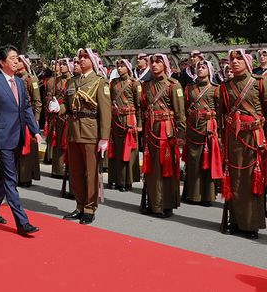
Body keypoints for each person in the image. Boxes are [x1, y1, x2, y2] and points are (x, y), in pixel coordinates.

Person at [0, 45, 41, 236]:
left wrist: (35, 130)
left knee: (4, 174)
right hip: (2, 136)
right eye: (13, 58)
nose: (17, 61)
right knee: (10, 178)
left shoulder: (19, 82)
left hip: (18, 136)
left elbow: (25, 108)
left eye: (17, 58)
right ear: (2, 62)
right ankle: (22, 222)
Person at [220, 49, 266, 239]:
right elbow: (222, 114)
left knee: (251, 179)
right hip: (233, 138)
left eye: (239, 59)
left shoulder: (259, 82)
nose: (235, 62)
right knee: (234, 178)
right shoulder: (225, 86)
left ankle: (251, 224)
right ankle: (235, 220)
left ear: (247, 62)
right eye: (232, 59)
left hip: (253, 137)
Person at [63, 48, 111, 225]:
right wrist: (57, 108)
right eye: (79, 57)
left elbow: (106, 112)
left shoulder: (100, 82)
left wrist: (104, 137)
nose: (81, 60)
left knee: (90, 173)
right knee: (75, 173)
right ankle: (80, 205)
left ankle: (90, 208)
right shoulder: (72, 81)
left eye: (85, 57)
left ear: (92, 60)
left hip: (91, 132)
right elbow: (67, 107)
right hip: (74, 131)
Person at [140, 54, 186, 218]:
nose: (154, 65)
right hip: (151, 129)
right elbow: (143, 107)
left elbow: (180, 113)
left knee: (166, 168)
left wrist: (180, 135)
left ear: (165, 65)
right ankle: (153, 203)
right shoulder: (146, 85)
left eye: (158, 62)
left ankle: (165, 205)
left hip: (167, 131)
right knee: (152, 168)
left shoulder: (174, 86)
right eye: (152, 62)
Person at [182, 60, 222, 206]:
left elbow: (220, 111)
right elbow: (185, 107)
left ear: (209, 71)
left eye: (203, 67)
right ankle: (192, 195)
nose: (200, 69)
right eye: (198, 67)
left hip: (208, 128)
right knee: (192, 162)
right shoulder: (189, 88)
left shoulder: (216, 89)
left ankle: (206, 196)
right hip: (192, 128)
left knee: (207, 162)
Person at [107, 58, 141, 192]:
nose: (119, 68)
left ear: (128, 67)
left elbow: (139, 106)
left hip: (129, 120)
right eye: (118, 66)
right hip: (115, 120)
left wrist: (139, 123)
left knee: (128, 151)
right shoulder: (113, 83)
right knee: (115, 150)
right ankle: (114, 179)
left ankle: (126, 181)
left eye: (122, 66)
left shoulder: (134, 83)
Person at [16, 54, 42, 187]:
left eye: (19, 60)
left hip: (28, 117)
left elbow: (37, 102)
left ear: (25, 63)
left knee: (27, 149)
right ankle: (17, 175)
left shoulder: (31, 79)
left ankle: (25, 177)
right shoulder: (15, 78)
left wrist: (35, 120)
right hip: (16, 118)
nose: (17, 62)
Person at [48, 58, 71, 178]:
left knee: (64, 143)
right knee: (56, 142)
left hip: (66, 114)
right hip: (56, 114)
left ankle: (63, 169)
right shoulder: (55, 80)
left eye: (64, 64)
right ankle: (56, 169)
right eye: (60, 64)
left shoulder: (72, 81)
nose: (61, 66)